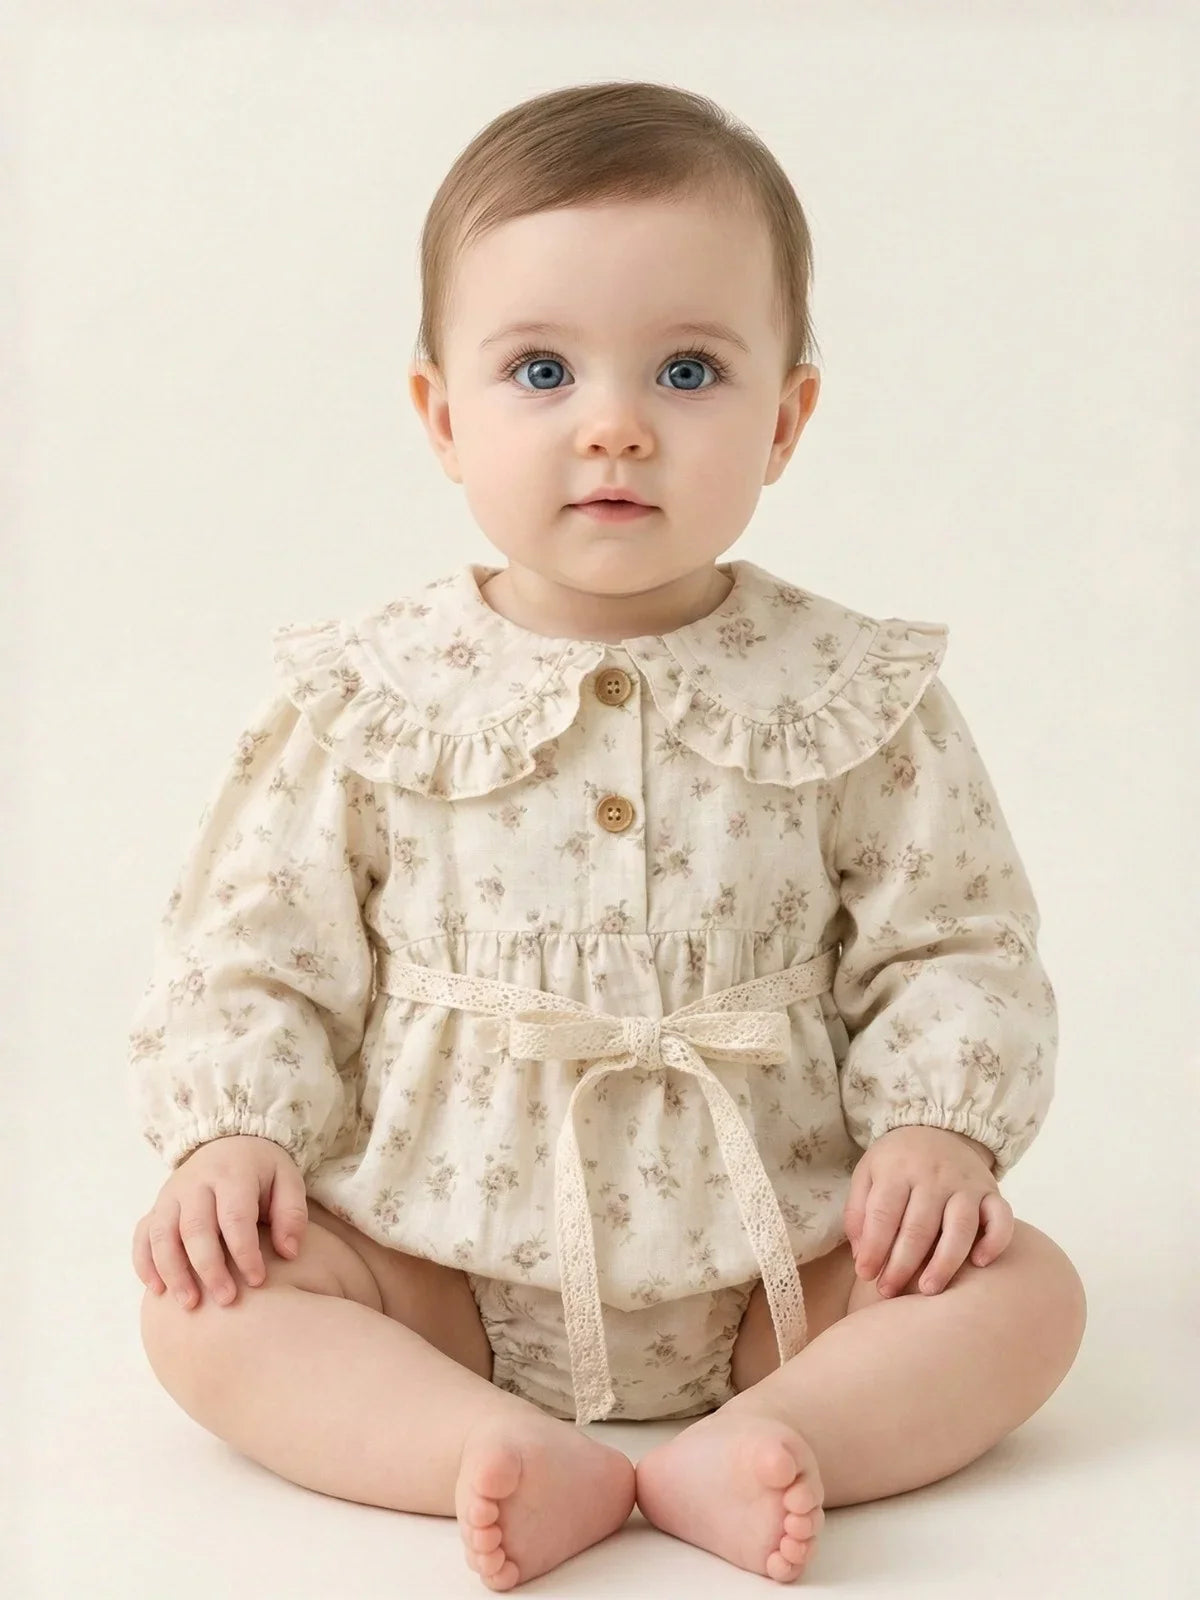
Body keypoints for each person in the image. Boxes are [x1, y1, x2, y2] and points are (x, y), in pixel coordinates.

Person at [129, 80, 1087, 1592]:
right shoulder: (365, 696)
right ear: (443, 413)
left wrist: (938, 1126)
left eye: (689, 369)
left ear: (787, 419)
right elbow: (255, 946)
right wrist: (235, 1130)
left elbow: (954, 936)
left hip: (782, 1260)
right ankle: (467, 1446)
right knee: (205, 1304)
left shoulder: (855, 693)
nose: (616, 426)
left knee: (1025, 1293)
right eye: (540, 370)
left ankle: (782, 1436)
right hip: (433, 1258)